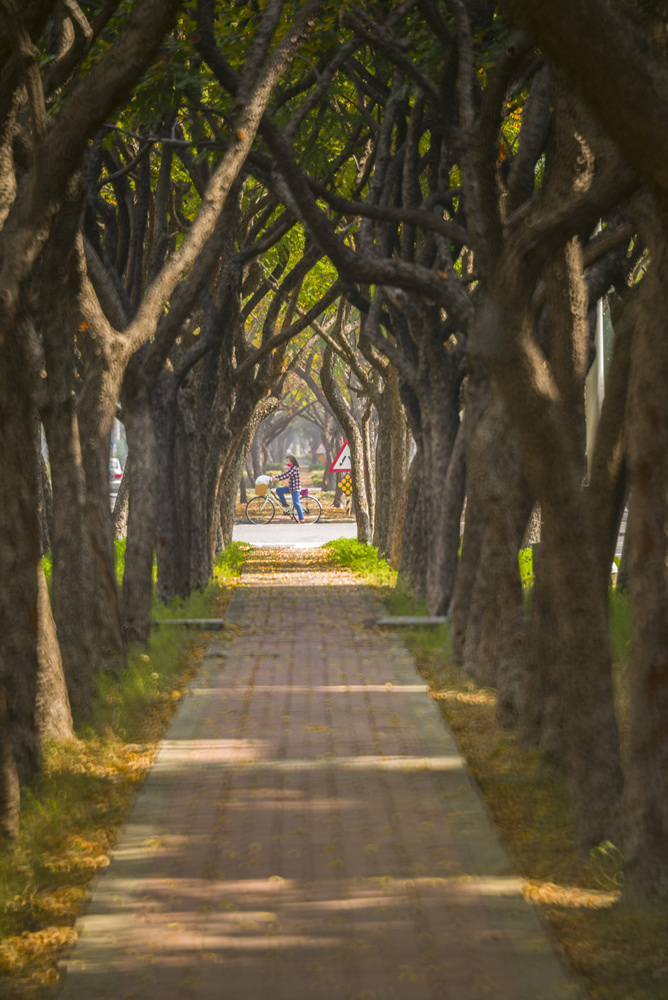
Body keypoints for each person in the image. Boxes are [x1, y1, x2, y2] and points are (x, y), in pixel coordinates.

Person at [273, 454, 305, 523]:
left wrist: (277, 479)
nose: (287, 463)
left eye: (288, 461)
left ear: (292, 461)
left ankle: (302, 518)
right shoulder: (292, 468)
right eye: (287, 461)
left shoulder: (295, 468)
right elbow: (285, 473)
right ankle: (285, 505)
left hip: (295, 489)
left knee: (296, 503)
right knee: (278, 490)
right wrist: (276, 476)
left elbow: (287, 475)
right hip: (291, 487)